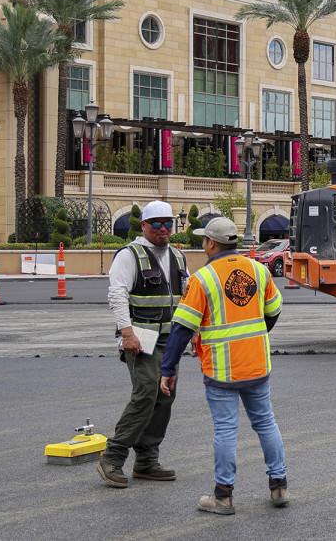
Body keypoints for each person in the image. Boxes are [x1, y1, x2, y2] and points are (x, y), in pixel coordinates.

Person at [159, 217, 287, 515]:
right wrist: (256, 335)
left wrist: (168, 370)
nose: (203, 243)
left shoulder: (202, 279)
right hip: (257, 364)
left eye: (203, 239)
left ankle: (223, 495)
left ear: (211, 243)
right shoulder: (260, 270)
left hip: (222, 370)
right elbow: (273, 311)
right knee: (266, 423)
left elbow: (181, 328)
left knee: (226, 431)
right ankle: (279, 485)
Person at [96, 200, 188, 488]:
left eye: (168, 223)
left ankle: (147, 461)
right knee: (147, 393)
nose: (164, 229)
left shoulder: (177, 256)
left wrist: (192, 334)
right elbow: (117, 295)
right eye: (157, 223)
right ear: (143, 225)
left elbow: (185, 297)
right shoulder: (129, 255)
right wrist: (127, 334)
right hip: (141, 340)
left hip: (170, 339)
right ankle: (112, 457)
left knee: (165, 397)